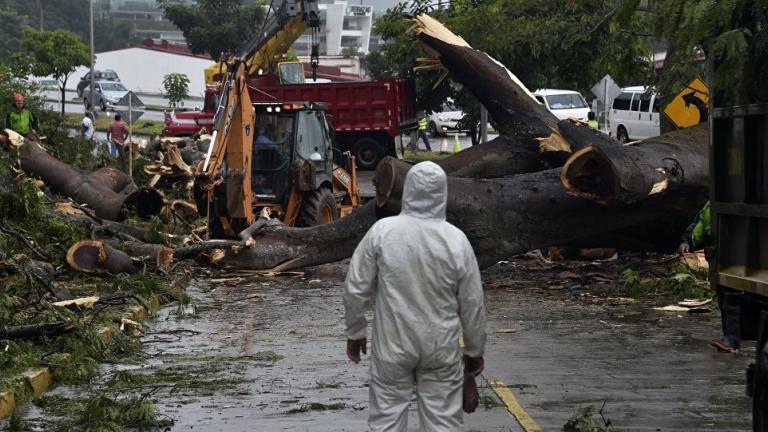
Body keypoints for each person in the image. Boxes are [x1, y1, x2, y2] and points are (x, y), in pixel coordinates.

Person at [344, 161, 487, 431]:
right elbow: (472, 304)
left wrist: (355, 332)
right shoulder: (456, 240)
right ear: (442, 193)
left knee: (386, 420)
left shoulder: (382, 232)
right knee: (442, 423)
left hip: (392, 347)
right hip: (440, 348)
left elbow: (355, 287)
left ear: (407, 191)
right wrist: (474, 350)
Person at [678, 201, 740, 353]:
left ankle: (731, 340)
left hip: (734, 259)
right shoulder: (711, 205)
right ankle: (729, 339)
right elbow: (699, 224)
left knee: (730, 299)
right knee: (724, 298)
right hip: (719, 258)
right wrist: (688, 241)